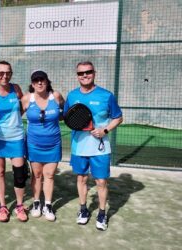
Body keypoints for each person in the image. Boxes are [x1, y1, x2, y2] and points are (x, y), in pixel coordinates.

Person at [64, 61, 123, 231]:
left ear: (94, 73)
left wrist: (105, 130)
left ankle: (102, 213)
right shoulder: (72, 95)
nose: (84, 75)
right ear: (77, 76)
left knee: (101, 181)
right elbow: (68, 117)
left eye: (88, 72)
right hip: (79, 147)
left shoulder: (106, 95)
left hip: (100, 148)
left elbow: (118, 117)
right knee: (81, 179)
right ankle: (83, 210)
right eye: (81, 73)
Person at [0, 61, 28, 222]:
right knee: (0, 171)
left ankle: (19, 205)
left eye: (8, 72)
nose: (5, 76)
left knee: (19, 173)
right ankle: (3, 206)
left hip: (16, 137)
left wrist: (14, 121)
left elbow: (23, 106)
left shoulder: (16, 89)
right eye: (1, 73)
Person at [21, 70, 64, 222]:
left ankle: (48, 205)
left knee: (50, 175)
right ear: (32, 84)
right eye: (36, 80)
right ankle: (36, 203)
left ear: (47, 81)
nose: (39, 83)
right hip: (33, 144)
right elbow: (15, 117)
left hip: (53, 144)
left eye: (42, 80)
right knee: (37, 175)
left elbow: (65, 112)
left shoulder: (56, 96)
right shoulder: (27, 99)